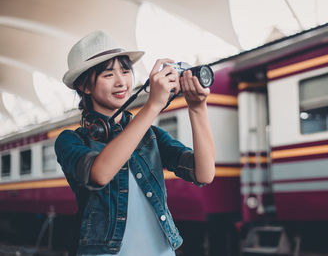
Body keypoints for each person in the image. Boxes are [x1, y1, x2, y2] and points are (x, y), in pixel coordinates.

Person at [54, 30, 215, 256]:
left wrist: (198, 108)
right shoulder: (71, 140)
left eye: (126, 71)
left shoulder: (152, 135)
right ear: (85, 86)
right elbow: (99, 173)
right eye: (108, 75)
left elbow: (204, 174)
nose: (121, 82)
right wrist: (151, 106)